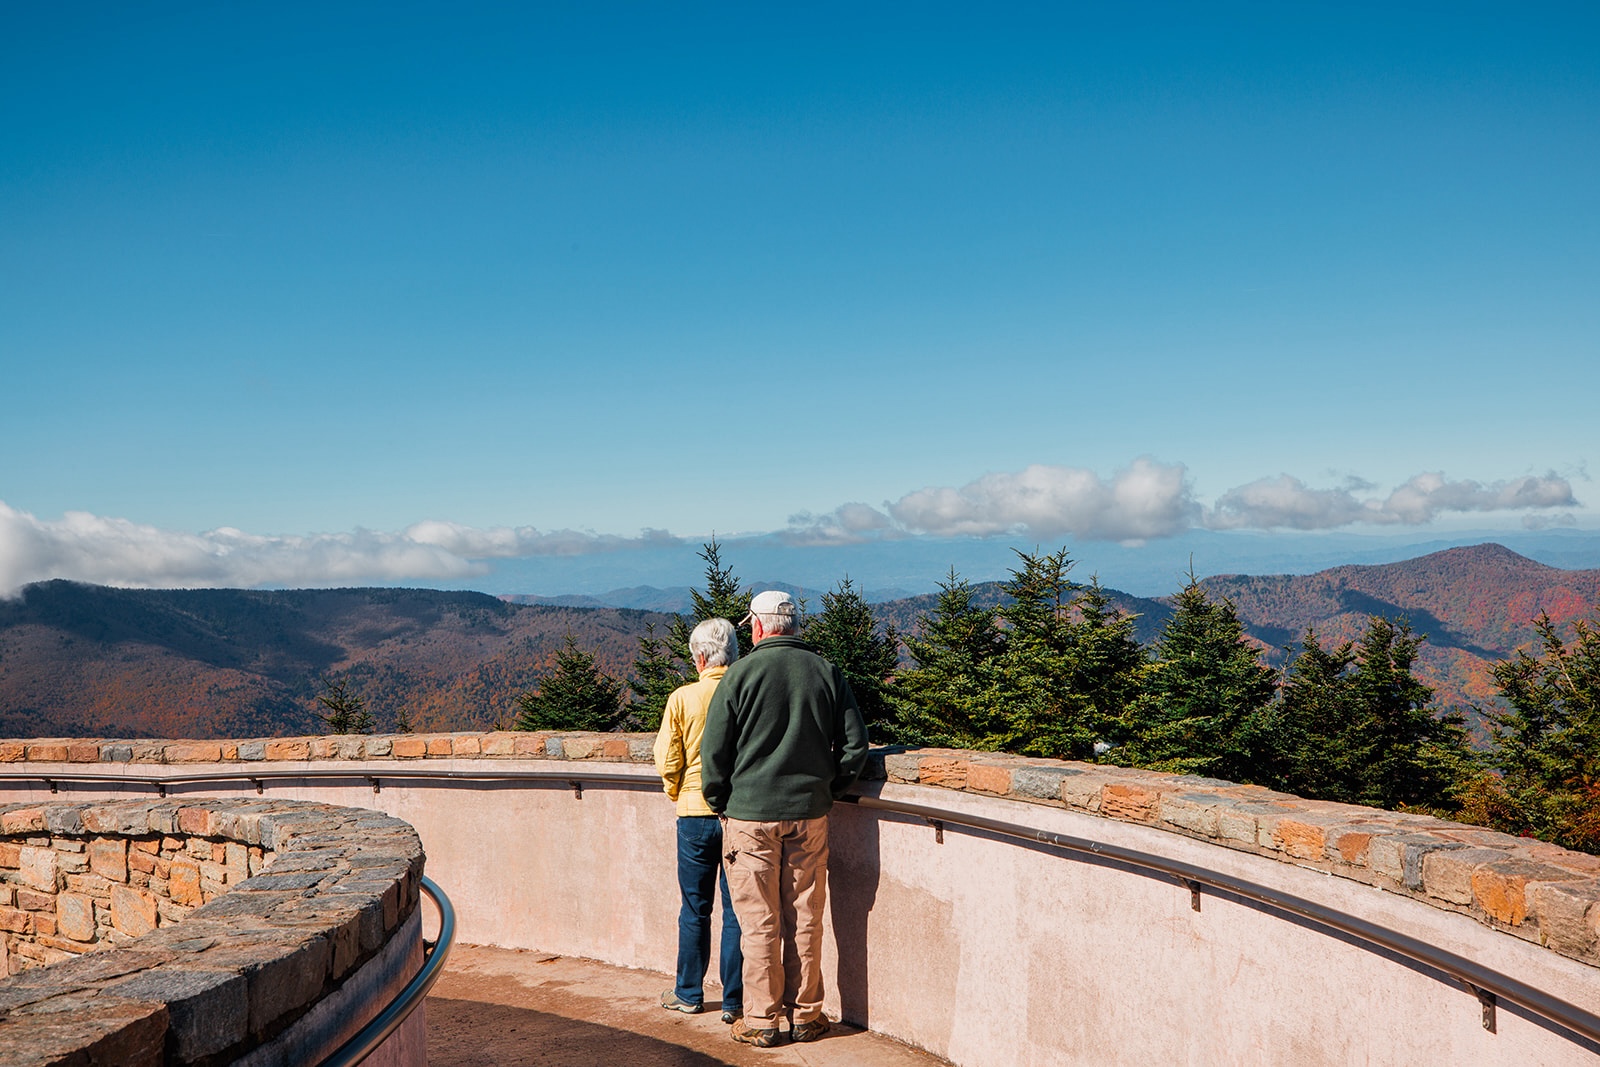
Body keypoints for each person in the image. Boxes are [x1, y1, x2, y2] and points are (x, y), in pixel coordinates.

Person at [700, 589, 870, 1048]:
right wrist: (828, 790)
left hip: (749, 817)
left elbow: (713, 754)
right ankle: (807, 1016)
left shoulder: (739, 674)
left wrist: (721, 801)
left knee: (758, 921)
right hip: (809, 814)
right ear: (795, 625)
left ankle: (761, 1020)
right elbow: (855, 747)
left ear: (757, 626)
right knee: (805, 916)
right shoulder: (825, 672)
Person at [654, 617, 745, 1023]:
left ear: (702, 657)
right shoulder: (745, 692)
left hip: (693, 813)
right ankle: (735, 1001)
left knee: (695, 908)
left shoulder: (683, 698)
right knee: (737, 910)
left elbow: (667, 759)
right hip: (737, 813)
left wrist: (679, 792)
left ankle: (688, 993)